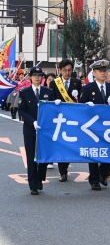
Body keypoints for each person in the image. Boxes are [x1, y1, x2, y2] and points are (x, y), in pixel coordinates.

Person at [78, 60, 110, 191]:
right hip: (92, 126)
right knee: (93, 153)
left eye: (105, 71)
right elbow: (81, 107)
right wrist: (87, 107)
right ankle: (94, 180)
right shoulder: (88, 88)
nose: (103, 73)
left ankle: (102, 173)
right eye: (100, 71)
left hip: (109, 126)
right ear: (94, 73)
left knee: (109, 152)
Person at [18, 66, 55, 195]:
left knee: (43, 155)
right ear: (30, 77)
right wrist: (32, 121)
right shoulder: (24, 92)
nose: (37, 78)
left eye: (39, 76)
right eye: (35, 75)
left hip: (45, 130)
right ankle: (32, 184)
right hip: (30, 129)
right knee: (31, 157)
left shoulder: (48, 92)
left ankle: (40, 178)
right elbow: (22, 110)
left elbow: (52, 110)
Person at [49, 59, 82, 182]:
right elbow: (50, 99)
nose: (67, 73)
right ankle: (62, 171)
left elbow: (80, 100)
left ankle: (65, 168)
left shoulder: (76, 83)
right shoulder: (54, 83)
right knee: (60, 144)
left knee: (69, 144)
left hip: (72, 119)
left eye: (69, 70)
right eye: (64, 70)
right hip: (59, 118)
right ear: (60, 70)